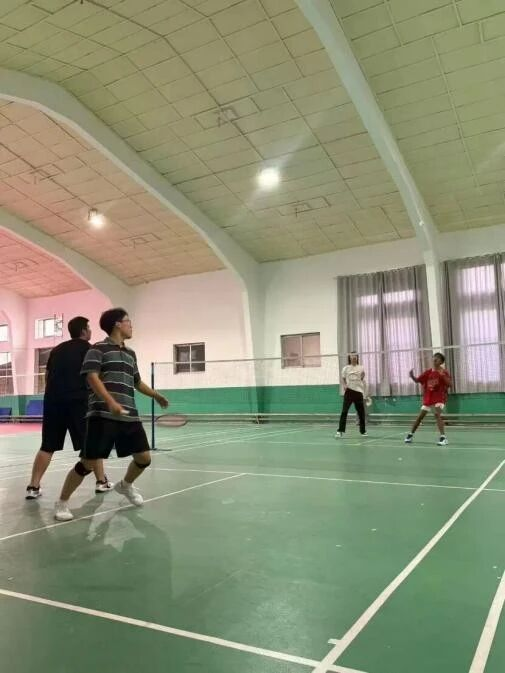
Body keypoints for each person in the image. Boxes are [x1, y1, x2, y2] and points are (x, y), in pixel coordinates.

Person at [54, 308, 168, 522]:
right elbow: (92, 377)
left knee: (144, 458)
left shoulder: (131, 353)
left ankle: (125, 485)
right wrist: (110, 401)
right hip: (102, 415)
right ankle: (61, 502)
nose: (131, 325)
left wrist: (156, 395)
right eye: (128, 321)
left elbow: (137, 382)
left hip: (129, 415)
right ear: (117, 324)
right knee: (87, 464)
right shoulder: (97, 349)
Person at [26, 316, 113, 500]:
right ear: (83, 331)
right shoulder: (90, 349)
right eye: (89, 328)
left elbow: (47, 376)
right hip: (79, 402)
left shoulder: (56, 350)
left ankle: (33, 487)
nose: (90, 331)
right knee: (92, 444)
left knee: (47, 446)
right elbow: (95, 377)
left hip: (53, 402)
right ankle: (101, 482)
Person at [405, 352, 451, 446]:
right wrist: (412, 376)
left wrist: (442, 375)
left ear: (441, 362)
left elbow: (450, 384)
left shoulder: (444, 372)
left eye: (437, 358)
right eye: (434, 357)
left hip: (439, 398)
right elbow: (417, 380)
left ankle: (443, 438)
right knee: (420, 417)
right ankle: (410, 435)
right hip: (428, 399)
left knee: (437, 414)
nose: (435, 359)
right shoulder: (428, 372)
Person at [335, 351, 367, 438]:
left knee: (361, 413)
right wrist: (345, 385)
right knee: (344, 411)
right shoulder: (346, 368)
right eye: (352, 356)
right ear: (349, 358)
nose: (353, 357)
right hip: (349, 392)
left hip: (359, 392)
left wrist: (362, 387)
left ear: (357, 357)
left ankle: (363, 431)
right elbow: (343, 379)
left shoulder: (361, 367)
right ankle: (340, 431)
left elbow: (362, 377)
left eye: (355, 356)